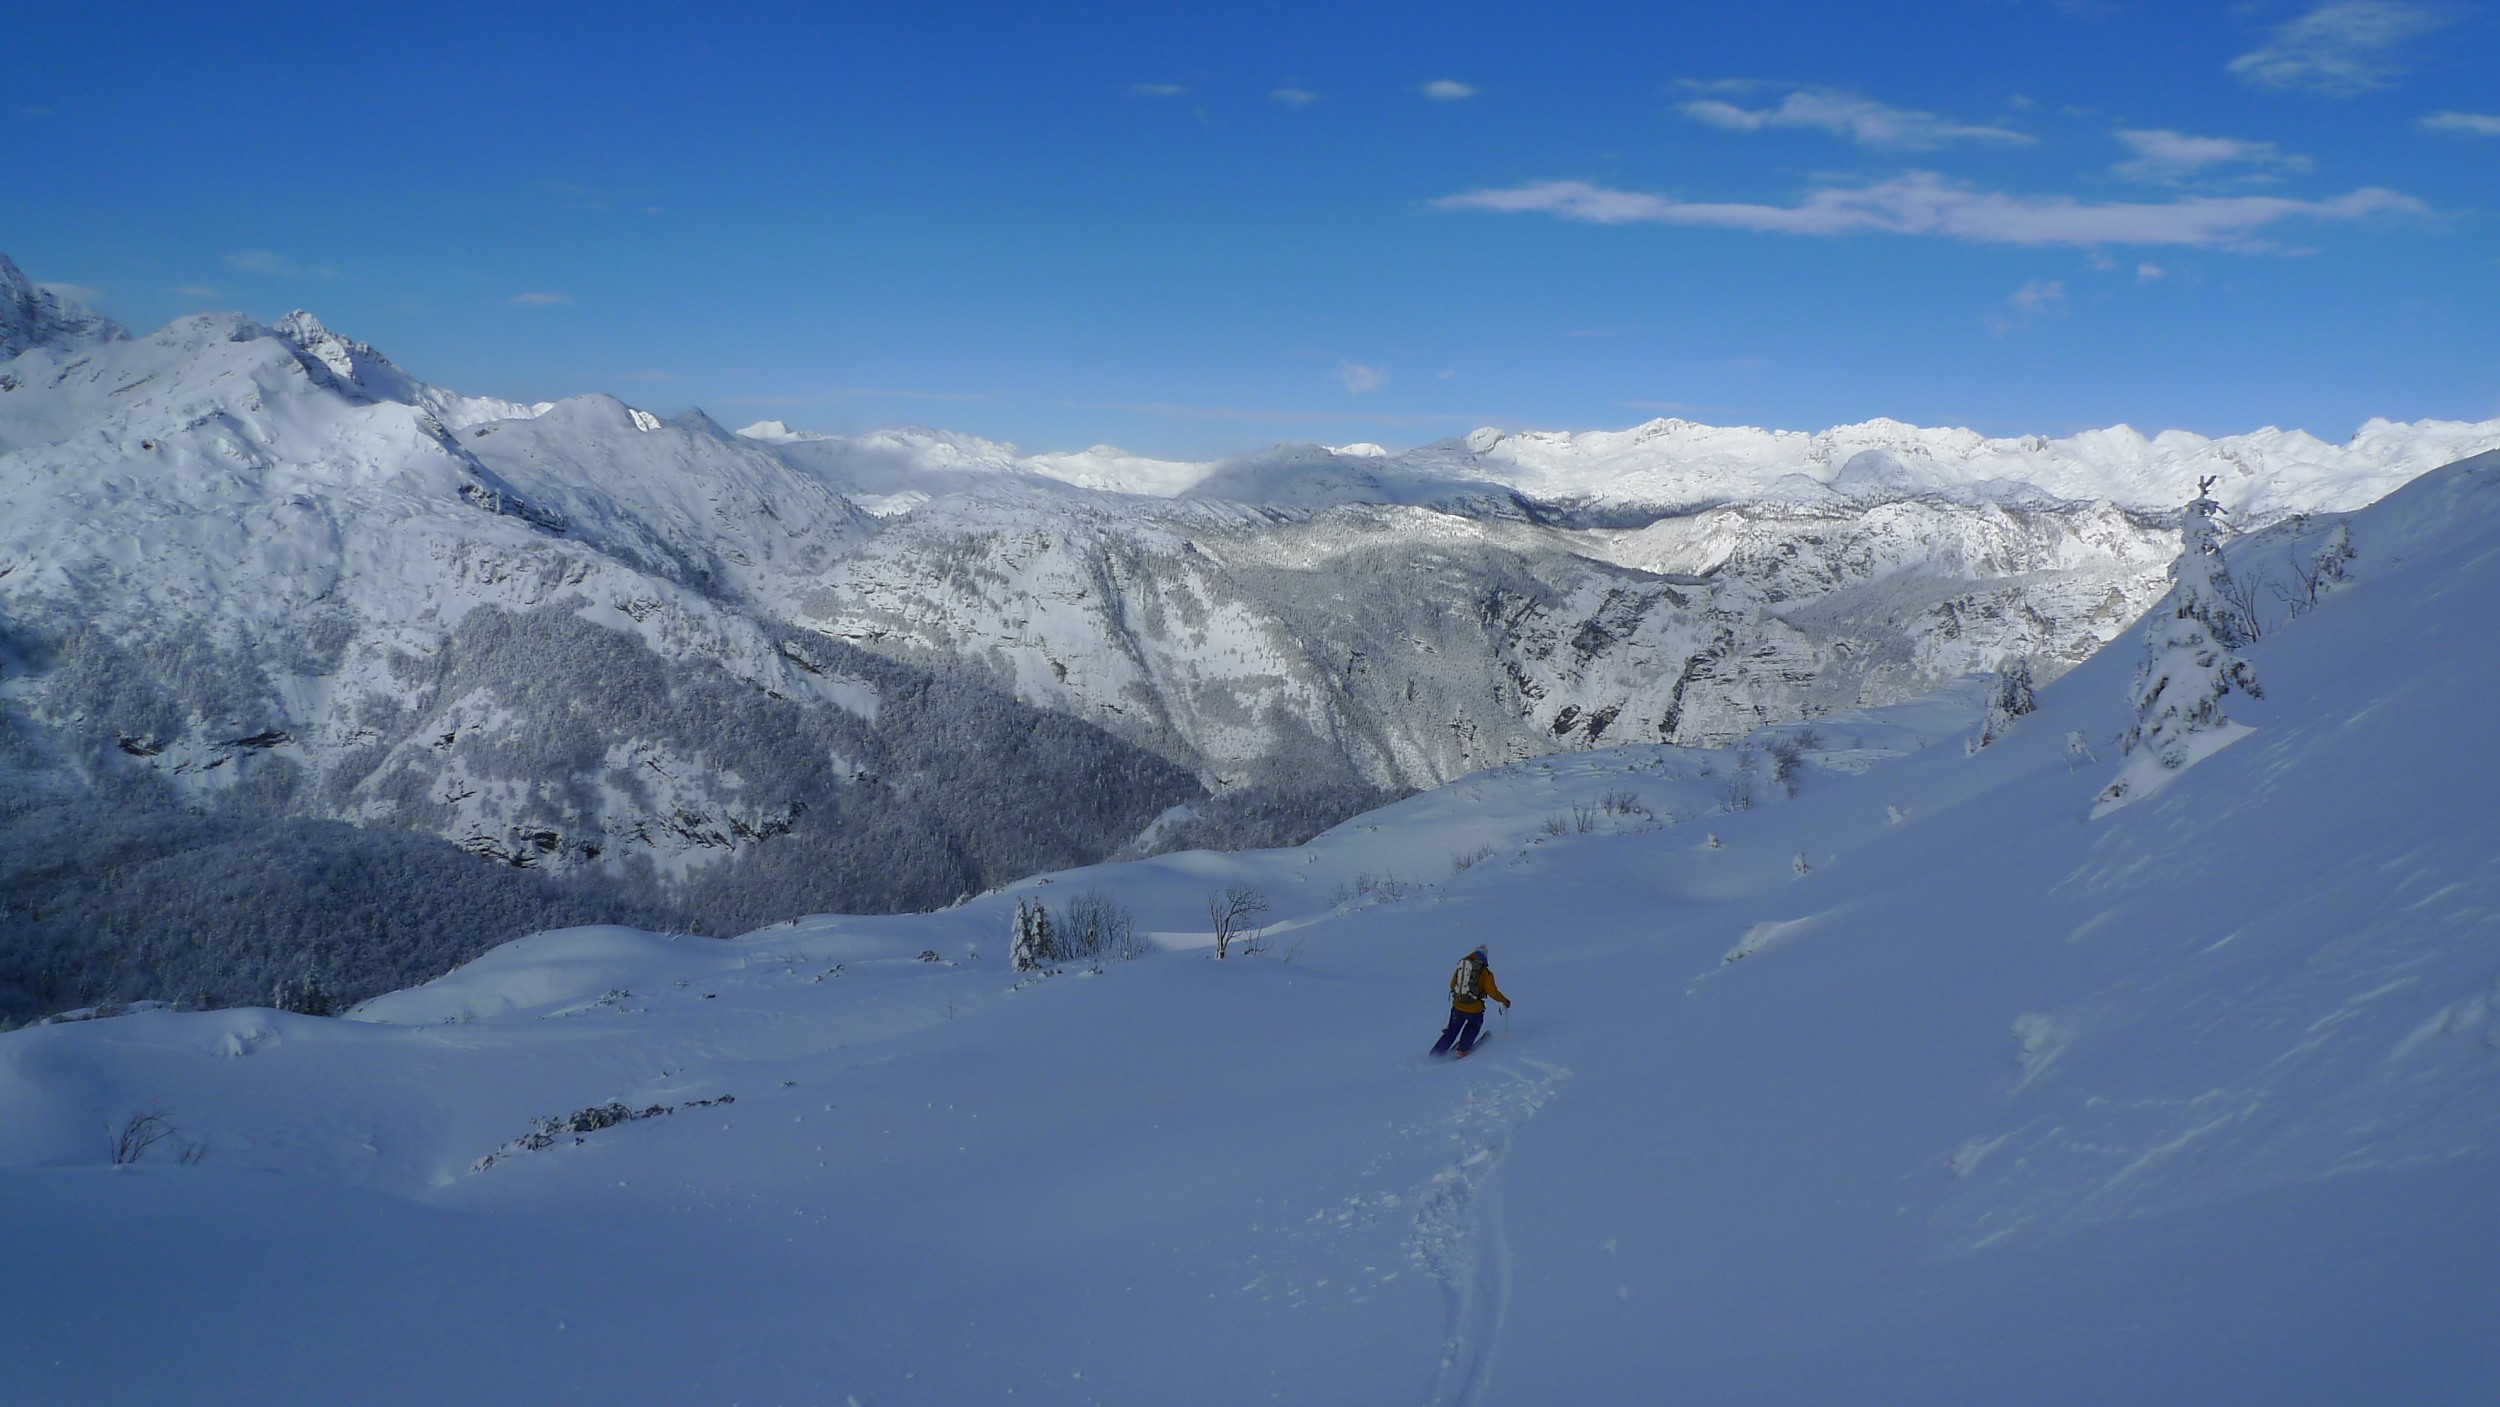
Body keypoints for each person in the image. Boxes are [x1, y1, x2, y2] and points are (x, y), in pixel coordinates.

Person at [1431, 944, 1510, 1058]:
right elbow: (1492, 992)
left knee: (1452, 1030)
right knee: (1473, 1025)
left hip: (1457, 1005)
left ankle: (1436, 1054)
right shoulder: (1485, 972)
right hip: (1474, 1008)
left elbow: (1452, 984)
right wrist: (1504, 1000)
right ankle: (1462, 1050)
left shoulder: (1462, 966)